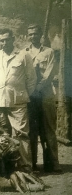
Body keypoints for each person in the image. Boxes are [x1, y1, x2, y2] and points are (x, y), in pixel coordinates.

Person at [0, 28, 37, 172]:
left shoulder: (23, 55)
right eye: (1, 40)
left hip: (18, 101)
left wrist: (21, 94)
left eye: (7, 39)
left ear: (13, 39)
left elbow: (31, 79)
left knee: (21, 134)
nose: (4, 43)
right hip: (0, 101)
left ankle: (25, 167)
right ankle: (5, 167)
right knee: (0, 133)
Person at [24, 24, 61, 172]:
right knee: (32, 130)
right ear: (28, 36)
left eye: (36, 34)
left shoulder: (49, 52)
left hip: (45, 95)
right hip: (30, 97)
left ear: (41, 36)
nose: (33, 36)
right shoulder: (23, 53)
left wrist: (37, 89)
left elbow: (49, 73)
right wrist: (30, 92)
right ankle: (32, 163)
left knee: (48, 130)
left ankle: (53, 163)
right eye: (30, 34)